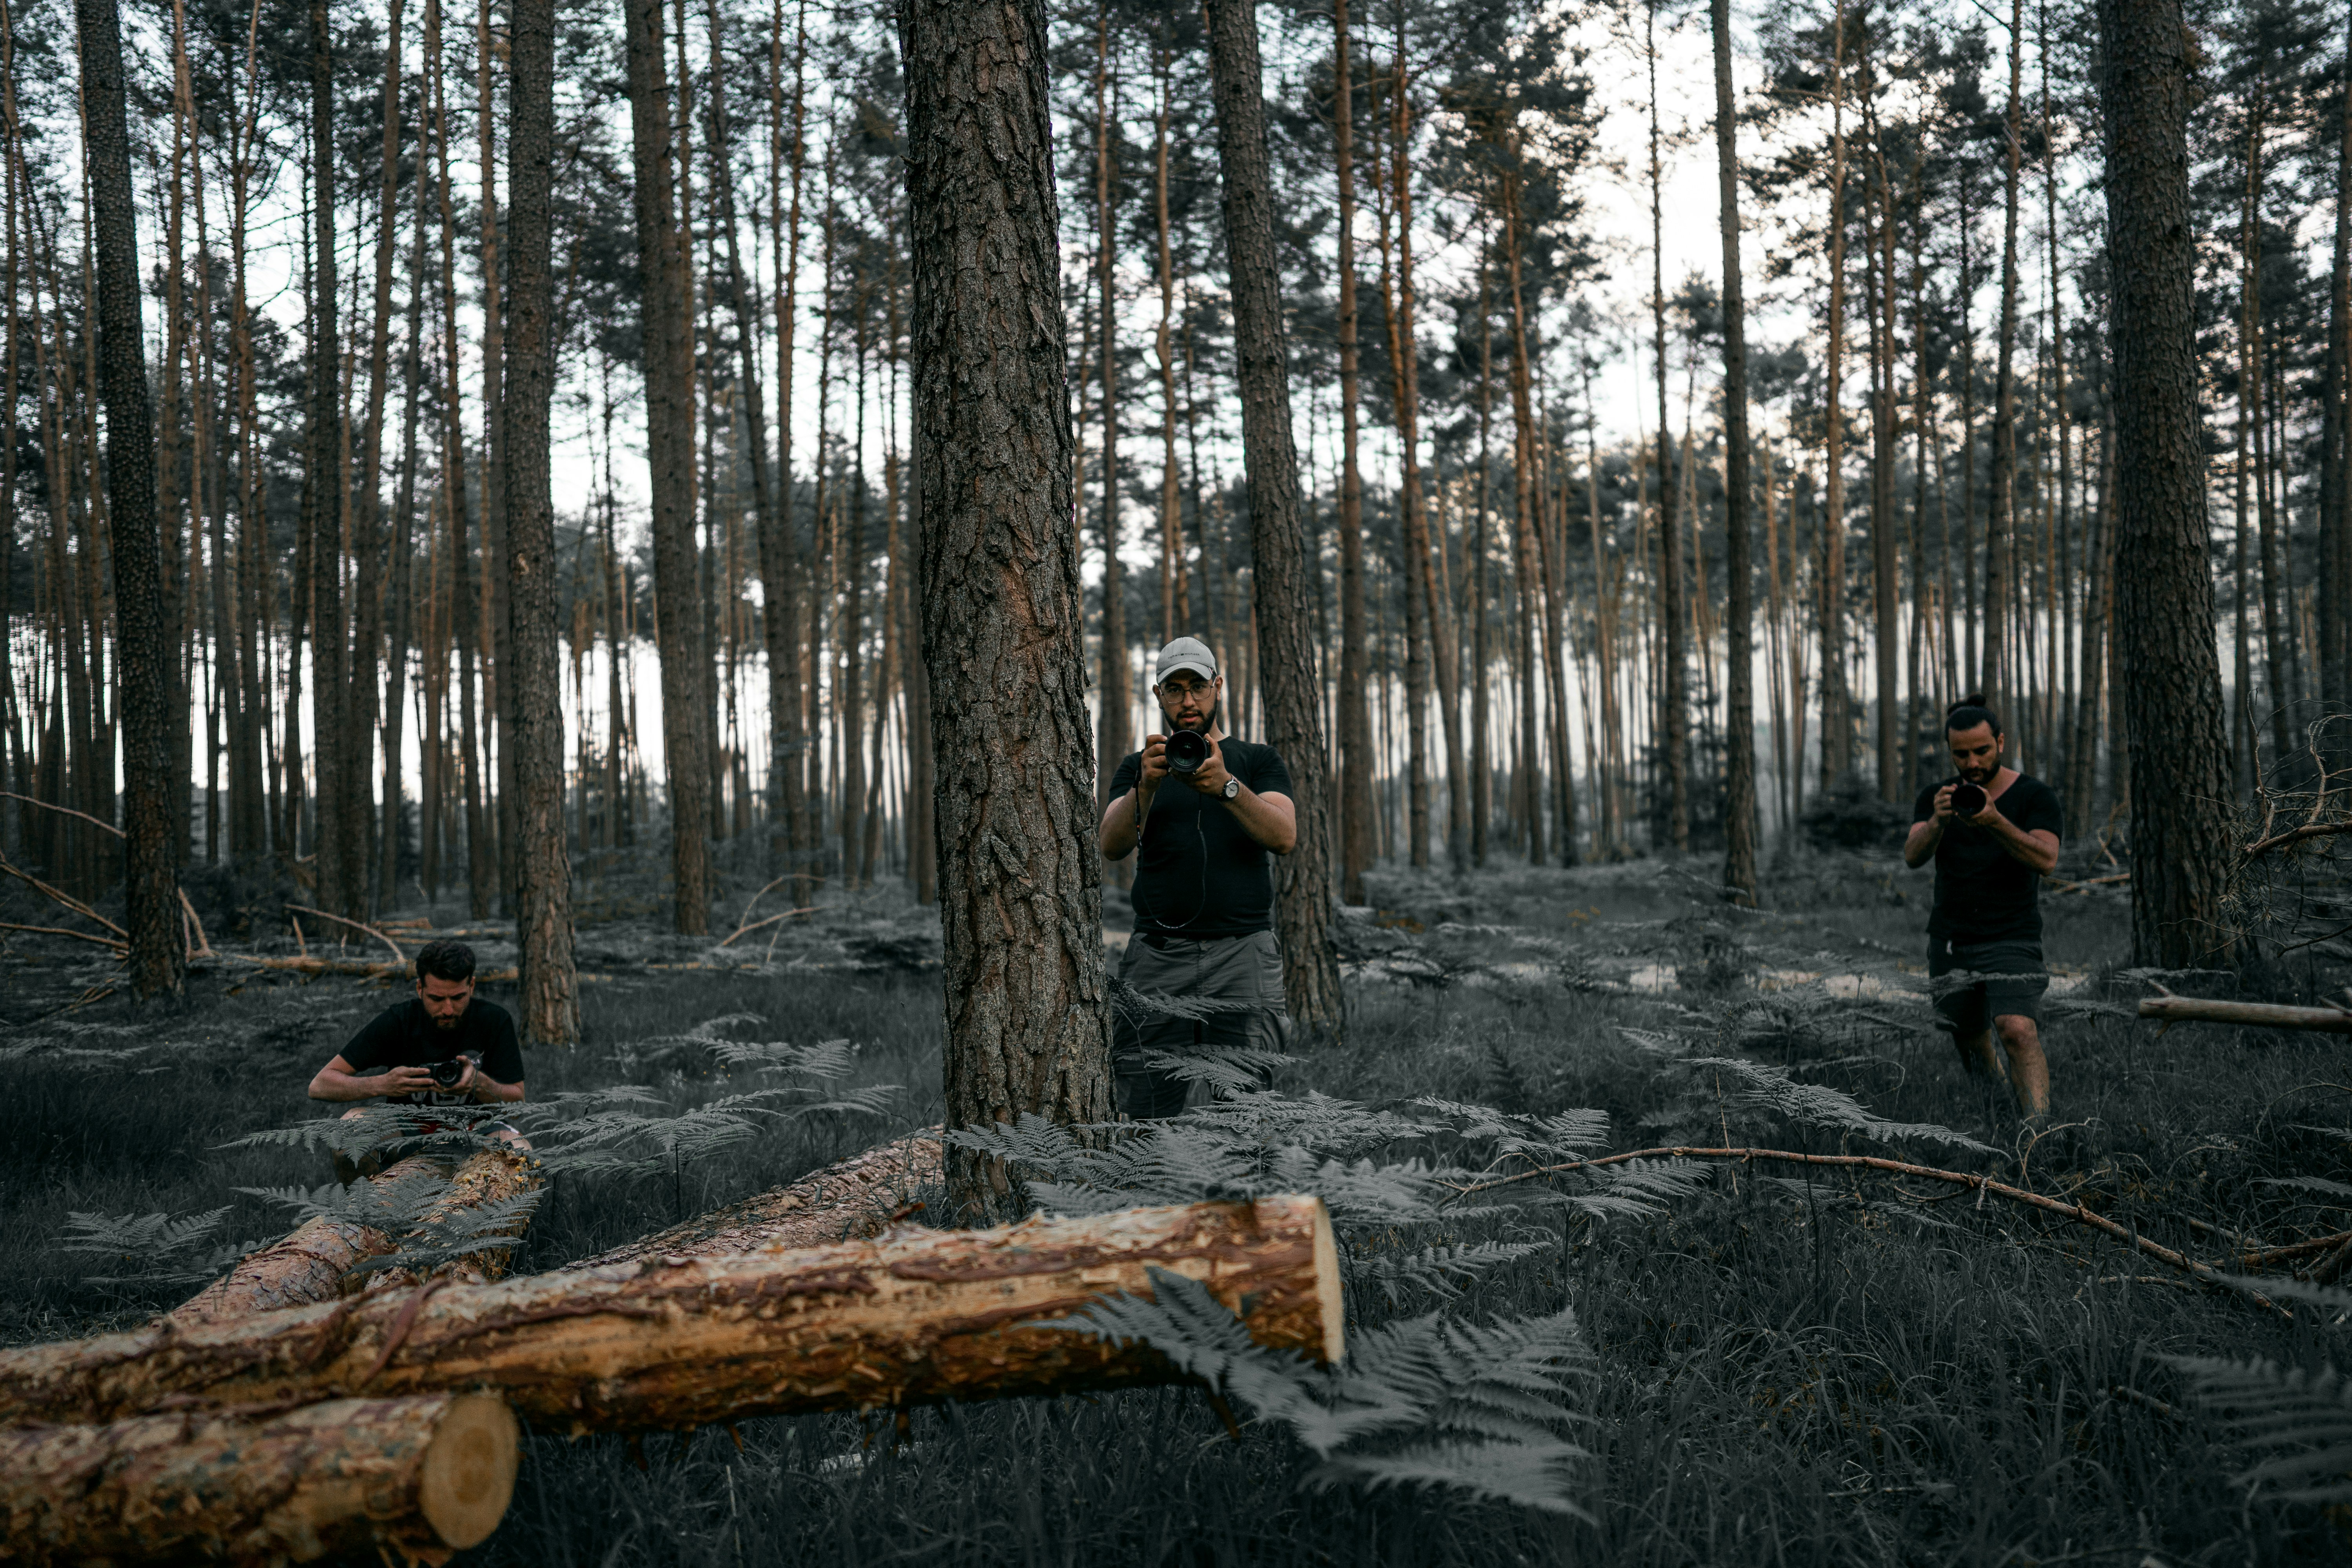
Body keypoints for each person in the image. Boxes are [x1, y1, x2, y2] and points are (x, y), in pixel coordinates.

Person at [1098, 637, 1298, 1118]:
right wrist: (1146, 786)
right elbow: (1111, 844)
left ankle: (1239, 1176)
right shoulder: (1139, 767)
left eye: (1198, 686)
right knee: (1144, 1109)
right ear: (1158, 695)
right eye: (1174, 689)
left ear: (1218, 687)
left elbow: (1284, 835)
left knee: (1248, 1115)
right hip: (1157, 958)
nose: (1187, 700)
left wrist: (1227, 787)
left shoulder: (1257, 760)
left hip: (1243, 957)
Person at [1903, 697, 2062, 1121]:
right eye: (1961, 754)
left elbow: (2047, 859)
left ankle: (2040, 1133)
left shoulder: (2035, 795)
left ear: (2001, 742)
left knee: (2017, 1029)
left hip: (2013, 934)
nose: (1972, 763)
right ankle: (1998, 1111)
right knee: (1969, 1034)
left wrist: (1995, 821)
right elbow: (1913, 856)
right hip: (1951, 938)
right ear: (1950, 750)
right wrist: (1938, 822)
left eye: (1982, 751)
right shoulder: (1936, 798)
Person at [309, 939, 529, 1180]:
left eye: (458, 998)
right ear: (419, 989)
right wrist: (383, 1084)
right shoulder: (399, 1021)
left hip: (478, 1129)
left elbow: (518, 1105)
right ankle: (365, 1203)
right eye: (436, 999)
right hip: (407, 1129)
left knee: (521, 1154)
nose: (448, 1010)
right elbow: (320, 1085)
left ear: (472, 986)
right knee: (349, 1133)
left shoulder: (494, 1021)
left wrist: (480, 1084)